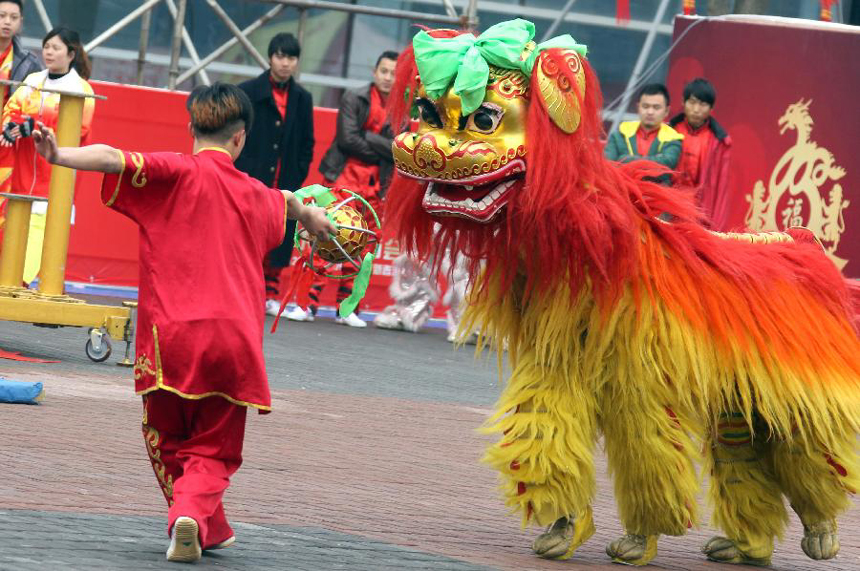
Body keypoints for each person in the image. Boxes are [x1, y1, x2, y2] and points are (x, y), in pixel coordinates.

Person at [30, 83, 334, 563]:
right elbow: (288, 203)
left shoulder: (175, 172)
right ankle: (197, 520)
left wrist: (59, 154)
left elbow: (112, 157)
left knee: (166, 437)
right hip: (232, 342)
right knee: (215, 449)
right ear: (241, 140)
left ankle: (199, 521)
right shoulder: (258, 195)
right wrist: (313, 217)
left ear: (191, 127)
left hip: (167, 338)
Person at [287, 50, 398, 327]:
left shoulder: (402, 109)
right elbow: (348, 139)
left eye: (394, 73)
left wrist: (368, 138)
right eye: (384, 71)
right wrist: (379, 147)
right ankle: (305, 304)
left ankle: (347, 309)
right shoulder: (354, 97)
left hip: (375, 186)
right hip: (342, 180)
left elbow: (397, 150)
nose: (388, 77)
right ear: (375, 72)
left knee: (362, 247)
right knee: (321, 239)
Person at [1, 26, 94, 284]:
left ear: (71, 54)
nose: (49, 52)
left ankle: (18, 286)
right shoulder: (32, 81)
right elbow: (11, 109)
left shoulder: (81, 89)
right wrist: (10, 126)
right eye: (46, 46)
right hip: (21, 178)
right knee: (12, 240)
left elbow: (77, 129)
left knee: (34, 249)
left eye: (56, 48)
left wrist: (31, 126)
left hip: (53, 182)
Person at [235, 33, 315, 318]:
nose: (285, 63)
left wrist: (298, 173)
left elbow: (308, 142)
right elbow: (237, 133)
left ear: (296, 62)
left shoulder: (303, 99)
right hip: (252, 177)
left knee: (280, 235)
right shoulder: (247, 92)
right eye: (280, 56)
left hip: (286, 179)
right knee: (250, 235)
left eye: (291, 58)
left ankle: (270, 293)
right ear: (270, 58)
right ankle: (247, 292)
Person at [668, 78, 732, 228]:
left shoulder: (720, 142)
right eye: (692, 102)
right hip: (668, 205)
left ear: (711, 108)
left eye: (702, 104)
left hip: (698, 212)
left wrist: (716, 231)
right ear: (683, 102)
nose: (696, 109)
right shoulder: (668, 131)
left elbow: (721, 190)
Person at [0, 0, 42, 194]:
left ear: (21, 22)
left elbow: (37, 105)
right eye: (1, 16)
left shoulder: (30, 64)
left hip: (6, 142)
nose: (7, 22)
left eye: (13, 17)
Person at [604, 83, 683, 170]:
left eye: (656, 108)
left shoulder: (673, 139)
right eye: (645, 106)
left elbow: (667, 165)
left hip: (657, 184)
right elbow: (608, 165)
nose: (650, 112)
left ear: (666, 111)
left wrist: (624, 159)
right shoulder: (619, 134)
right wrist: (655, 161)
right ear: (638, 107)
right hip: (619, 183)